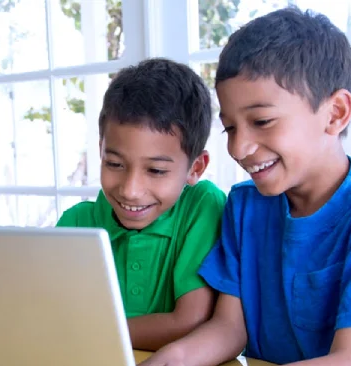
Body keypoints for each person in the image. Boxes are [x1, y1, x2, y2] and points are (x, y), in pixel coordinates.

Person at [136, 7, 351, 366]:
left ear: (336, 113)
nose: (240, 147)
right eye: (230, 127)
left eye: (262, 121)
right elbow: (230, 328)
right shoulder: (246, 205)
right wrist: (172, 360)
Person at [56, 58, 227, 351]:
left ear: (195, 168)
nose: (131, 190)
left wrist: (86, 335)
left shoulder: (202, 206)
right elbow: (52, 320)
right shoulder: (75, 224)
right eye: (114, 163)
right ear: (100, 149)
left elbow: (191, 320)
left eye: (156, 171)